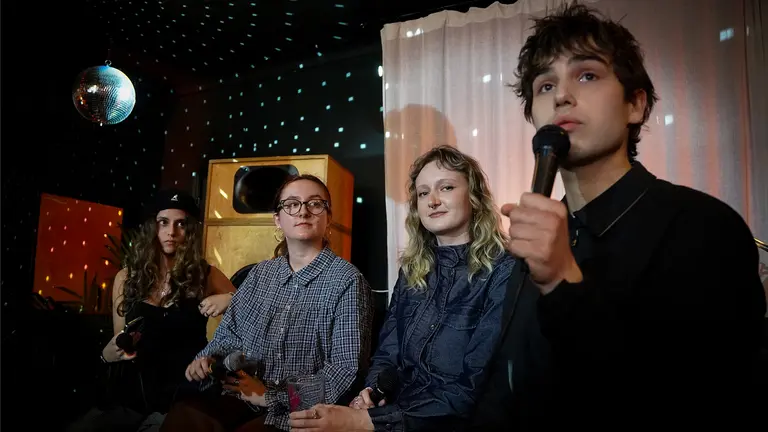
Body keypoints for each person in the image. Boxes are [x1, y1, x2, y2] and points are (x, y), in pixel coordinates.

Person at [470, 3, 767, 429]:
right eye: (545, 85)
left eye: (587, 75)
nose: (562, 96)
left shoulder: (703, 227)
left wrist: (561, 282)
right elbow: (508, 380)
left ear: (636, 105)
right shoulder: (540, 238)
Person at [289, 146, 516, 432]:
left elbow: (474, 387)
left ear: (474, 196)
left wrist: (367, 422)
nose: (432, 200)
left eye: (446, 187)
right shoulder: (412, 271)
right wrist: (371, 393)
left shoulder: (506, 270)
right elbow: (388, 354)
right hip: (395, 415)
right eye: (423, 193)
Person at [160, 174, 373, 432]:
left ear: (328, 217)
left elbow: (345, 371)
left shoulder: (347, 280)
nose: (303, 211)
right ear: (277, 219)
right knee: (185, 416)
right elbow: (230, 333)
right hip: (242, 395)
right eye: (292, 204)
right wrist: (206, 359)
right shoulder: (260, 274)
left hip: (302, 411)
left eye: (315, 204)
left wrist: (271, 395)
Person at [69, 190, 237, 432]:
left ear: (189, 231)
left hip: (186, 390)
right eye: (163, 222)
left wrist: (230, 298)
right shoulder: (126, 278)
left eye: (181, 224)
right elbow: (120, 339)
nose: (172, 232)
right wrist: (109, 353)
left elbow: (253, 312)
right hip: (134, 392)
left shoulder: (205, 274)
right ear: (152, 227)